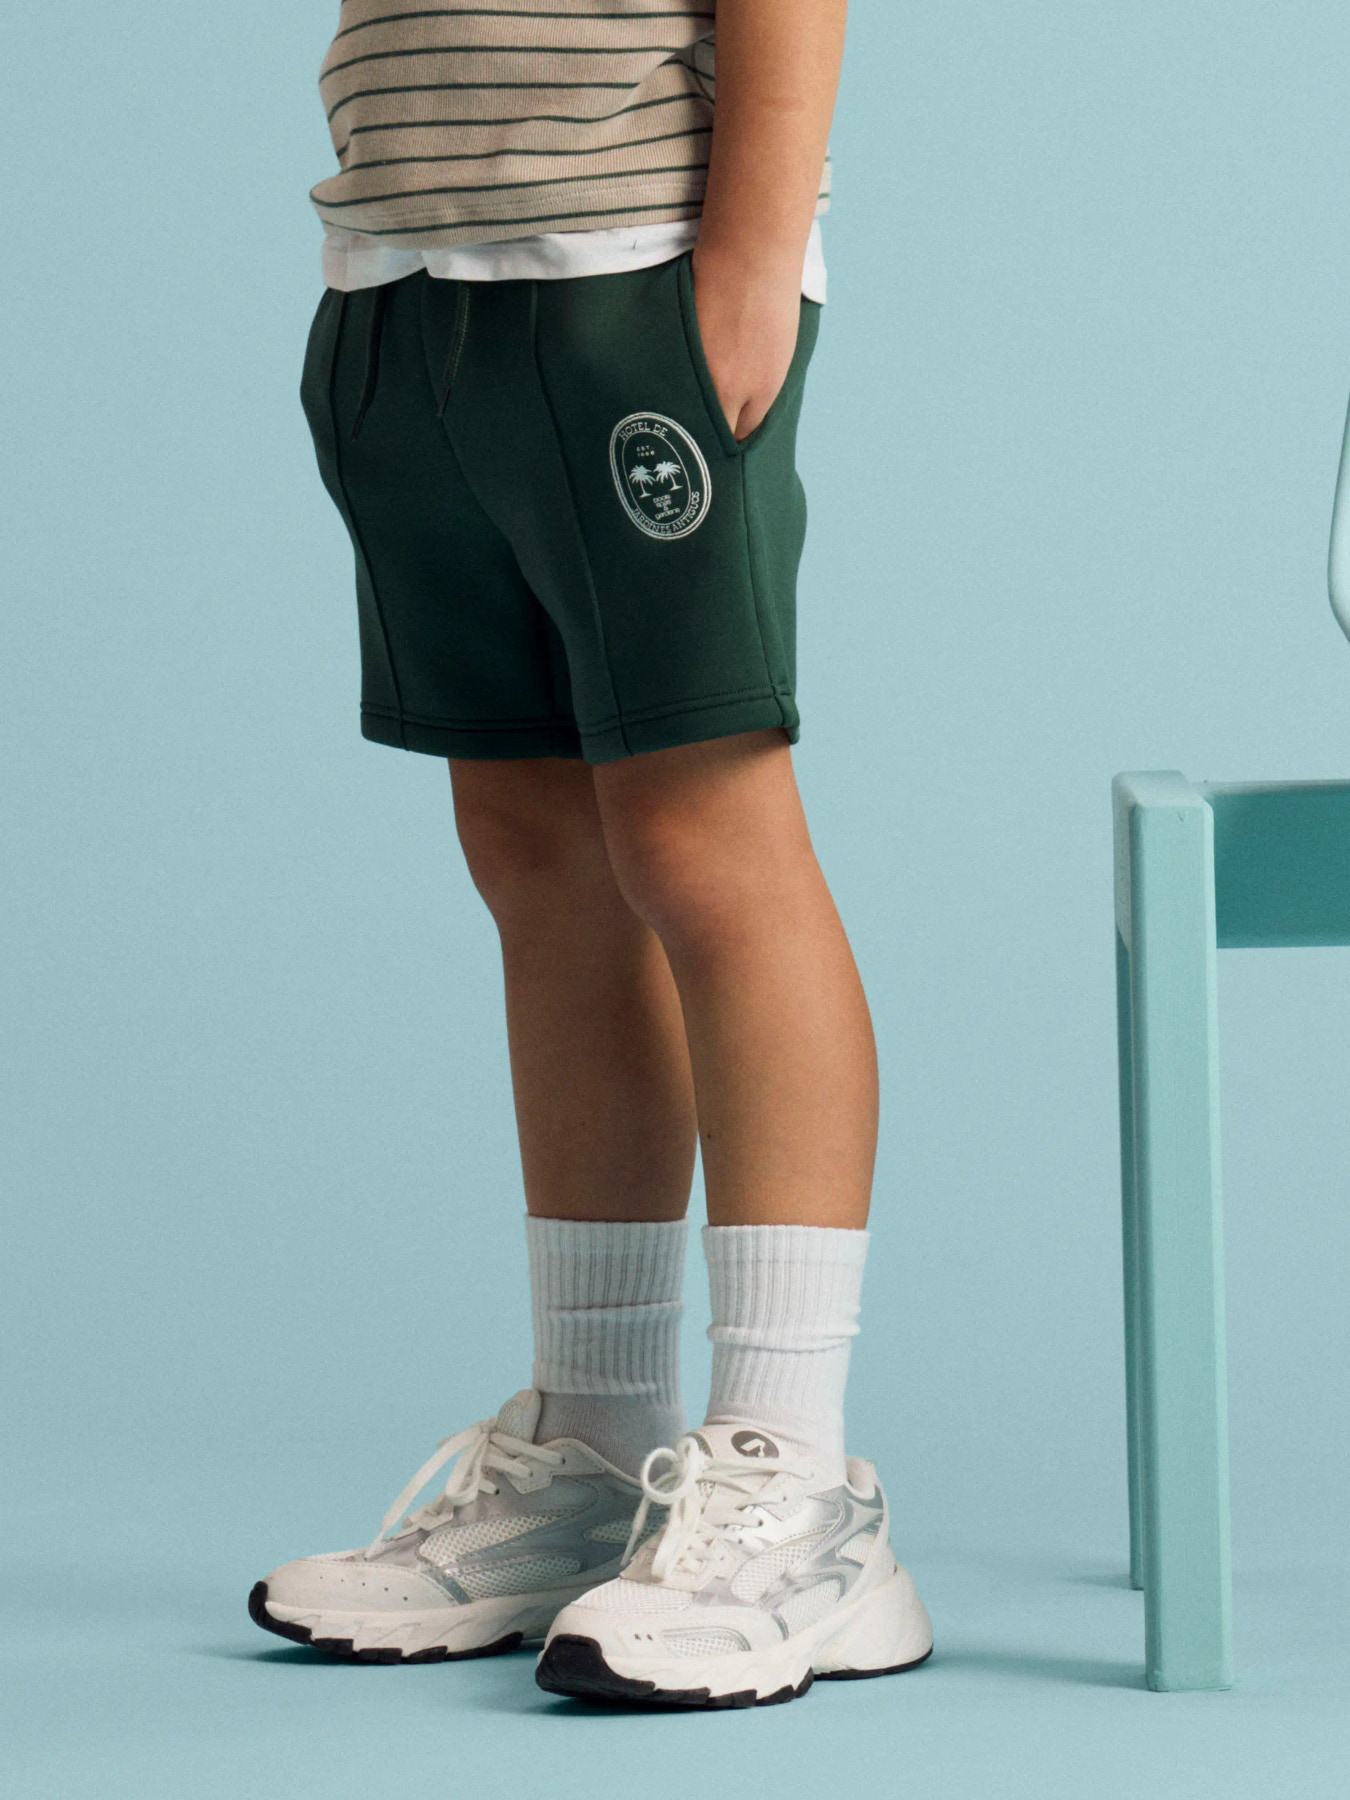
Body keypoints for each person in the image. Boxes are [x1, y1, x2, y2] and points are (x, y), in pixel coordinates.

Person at [250, 0, 932, 1707]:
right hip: (402, 271)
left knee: (706, 845)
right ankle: (596, 1450)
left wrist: (748, 264)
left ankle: (795, 1485)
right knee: (534, 856)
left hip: (631, 262)